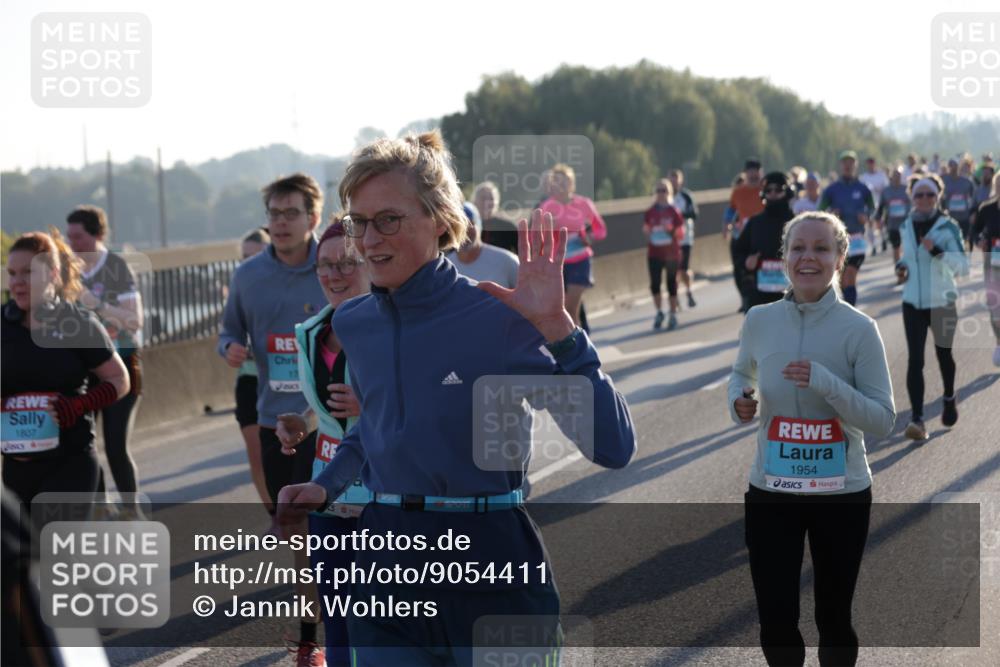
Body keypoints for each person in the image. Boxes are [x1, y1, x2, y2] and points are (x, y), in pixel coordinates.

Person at [276, 132, 636, 665]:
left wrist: (560, 330)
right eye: (360, 222)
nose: (369, 240)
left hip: (494, 570)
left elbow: (612, 446)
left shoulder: (498, 317)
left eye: (389, 220)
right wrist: (322, 487)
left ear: (442, 219)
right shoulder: (354, 323)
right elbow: (373, 435)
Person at [730, 211, 895, 667]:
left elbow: (883, 419)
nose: (808, 258)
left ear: (840, 258)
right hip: (772, 490)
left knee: (833, 617)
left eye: (821, 248)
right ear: (784, 257)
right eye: (798, 248)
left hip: (840, 494)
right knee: (776, 620)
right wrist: (740, 400)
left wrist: (826, 383)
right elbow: (742, 373)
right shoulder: (759, 319)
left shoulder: (860, 329)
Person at [217, 173, 328, 666]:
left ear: (313, 218)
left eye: (291, 214)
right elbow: (226, 333)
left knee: (340, 531)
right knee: (300, 538)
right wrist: (230, 348)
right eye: (274, 214)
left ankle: (323, 636)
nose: (281, 223)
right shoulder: (248, 277)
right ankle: (311, 635)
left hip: (333, 423)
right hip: (276, 424)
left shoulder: (336, 267)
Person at [274, 219, 370, 667]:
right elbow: (330, 406)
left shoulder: (394, 328)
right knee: (339, 617)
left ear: (372, 261)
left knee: (384, 618)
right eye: (325, 265)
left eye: (348, 262)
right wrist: (304, 421)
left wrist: (370, 407)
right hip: (330, 492)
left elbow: (435, 405)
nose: (334, 273)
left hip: (384, 494)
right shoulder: (312, 332)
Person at [3, 230, 130, 507]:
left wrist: (77, 406)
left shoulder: (78, 323)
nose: (17, 283)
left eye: (28, 273)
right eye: (12, 273)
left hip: (71, 463)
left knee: (55, 547)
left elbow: (120, 379)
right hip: (15, 468)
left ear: (52, 274)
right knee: (21, 551)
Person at [64, 205, 143, 515]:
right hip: (85, 369)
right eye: (68, 237)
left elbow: (133, 321)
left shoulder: (116, 268)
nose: (72, 244)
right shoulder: (67, 270)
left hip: (122, 363)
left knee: (115, 444)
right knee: (87, 443)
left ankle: (131, 508)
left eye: (78, 237)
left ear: (97, 235)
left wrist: (96, 304)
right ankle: (101, 506)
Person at [895, 174, 969, 441]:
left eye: (929, 195)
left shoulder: (948, 227)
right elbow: (906, 257)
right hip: (912, 301)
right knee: (915, 360)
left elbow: (963, 266)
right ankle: (917, 419)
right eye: (919, 195)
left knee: (944, 355)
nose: (924, 199)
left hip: (942, 301)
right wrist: (901, 267)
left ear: (938, 197)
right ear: (912, 198)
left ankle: (949, 397)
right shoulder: (906, 225)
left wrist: (937, 250)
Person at [231, 228, 274, 524]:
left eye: (254, 256)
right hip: (249, 379)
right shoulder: (239, 286)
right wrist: (231, 347)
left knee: (285, 455)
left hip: (285, 382)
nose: (247, 263)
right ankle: (275, 515)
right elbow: (227, 333)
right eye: (243, 257)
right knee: (256, 453)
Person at [540, 163, 608, 330]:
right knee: (563, 309)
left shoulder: (583, 204)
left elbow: (600, 230)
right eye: (557, 182)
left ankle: (578, 345)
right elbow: (539, 238)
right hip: (558, 263)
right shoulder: (547, 207)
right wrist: (549, 229)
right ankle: (580, 337)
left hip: (580, 258)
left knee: (571, 307)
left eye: (565, 182)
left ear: (572, 183)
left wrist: (589, 237)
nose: (561, 186)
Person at [734, 172, 797, 310]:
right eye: (769, 190)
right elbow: (738, 251)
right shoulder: (755, 223)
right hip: (759, 294)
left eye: (778, 189)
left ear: (787, 192)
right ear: (763, 194)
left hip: (793, 294)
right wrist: (746, 262)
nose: (773, 193)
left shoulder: (797, 223)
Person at [819, 150, 874, 306]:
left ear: (855, 165)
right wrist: (831, 213)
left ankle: (851, 309)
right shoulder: (831, 189)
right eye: (845, 163)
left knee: (850, 273)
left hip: (857, 238)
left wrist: (866, 216)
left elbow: (873, 208)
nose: (848, 166)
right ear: (840, 166)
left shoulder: (863, 188)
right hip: (838, 240)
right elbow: (820, 210)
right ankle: (847, 307)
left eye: (851, 163)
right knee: (843, 279)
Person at [644, 179, 686, 330]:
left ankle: (673, 314)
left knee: (671, 284)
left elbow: (681, 233)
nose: (661, 194)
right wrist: (650, 233)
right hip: (655, 252)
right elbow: (646, 229)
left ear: (669, 193)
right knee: (655, 284)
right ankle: (659, 312)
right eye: (658, 190)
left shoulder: (674, 211)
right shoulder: (650, 212)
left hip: (671, 254)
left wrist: (670, 230)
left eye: (664, 190)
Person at [446, 202, 519, 288]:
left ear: (479, 226)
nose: (464, 231)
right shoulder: (445, 268)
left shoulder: (507, 261)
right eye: (458, 226)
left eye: (470, 224)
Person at [730, 159, 767, 312]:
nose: (753, 175)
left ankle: (763, 296)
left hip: (763, 236)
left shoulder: (768, 190)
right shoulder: (738, 192)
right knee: (739, 267)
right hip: (744, 237)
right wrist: (726, 224)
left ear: (761, 173)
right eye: (750, 172)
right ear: (745, 174)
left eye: (756, 171)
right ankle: (745, 297)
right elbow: (731, 210)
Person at [972, 170, 1000, 366]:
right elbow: (974, 232)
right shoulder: (986, 208)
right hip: (993, 265)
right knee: (995, 307)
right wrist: (978, 241)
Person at [668, 168, 699, 308]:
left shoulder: (686, 196)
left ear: (680, 181)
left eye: (676, 179)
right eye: (671, 179)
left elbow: (695, 213)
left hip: (685, 238)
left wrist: (679, 216)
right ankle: (676, 296)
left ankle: (689, 291)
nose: (673, 183)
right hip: (670, 240)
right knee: (673, 270)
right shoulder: (665, 198)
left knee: (684, 269)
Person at [473, 181, 519, 255]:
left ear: (497, 202)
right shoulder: (468, 227)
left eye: (491, 198)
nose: (487, 202)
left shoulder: (508, 228)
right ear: (475, 201)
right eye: (483, 198)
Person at [942, 158, 977, 252]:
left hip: (964, 217)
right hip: (950, 217)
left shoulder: (966, 182)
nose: (953, 168)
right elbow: (940, 197)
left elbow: (974, 197)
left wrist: (972, 212)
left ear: (958, 167)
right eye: (951, 166)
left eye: (955, 166)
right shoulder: (944, 180)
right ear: (948, 167)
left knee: (964, 240)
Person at [876, 168, 911, 264]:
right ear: (891, 177)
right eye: (895, 176)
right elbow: (881, 207)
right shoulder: (886, 191)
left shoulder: (907, 189)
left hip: (906, 224)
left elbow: (914, 204)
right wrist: (878, 219)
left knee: (908, 248)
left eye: (899, 176)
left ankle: (908, 267)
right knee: (896, 247)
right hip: (892, 224)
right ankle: (899, 270)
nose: (897, 178)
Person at [859, 158, 889, 255]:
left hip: (880, 203)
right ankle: (874, 246)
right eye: (869, 164)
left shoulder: (881, 175)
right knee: (870, 225)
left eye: (872, 163)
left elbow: (886, 188)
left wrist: (879, 190)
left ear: (875, 164)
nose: (870, 165)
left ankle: (883, 239)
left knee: (880, 224)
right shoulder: (864, 177)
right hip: (869, 205)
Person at [970, 162, 995, 249]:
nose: (985, 175)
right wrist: (972, 214)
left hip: (992, 220)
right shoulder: (978, 189)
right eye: (984, 173)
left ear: (992, 175)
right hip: (979, 219)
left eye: (987, 173)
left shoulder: (996, 189)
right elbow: (973, 204)